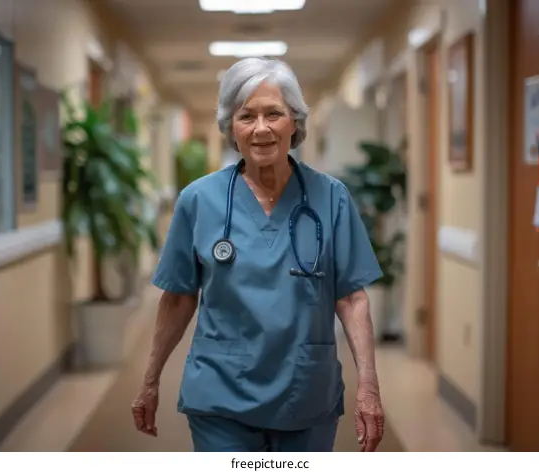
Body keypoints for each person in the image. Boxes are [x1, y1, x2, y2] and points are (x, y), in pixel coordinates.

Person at [131, 57, 385, 452]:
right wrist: (150, 380)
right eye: (246, 116)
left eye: (274, 114)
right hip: (221, 395)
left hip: (306, 393)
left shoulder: (331, 198)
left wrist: (368, 386)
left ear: (295, 122)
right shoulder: (198, 200)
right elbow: (179, 297)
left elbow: (351, 298)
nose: (261, 128)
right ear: (231, 128)